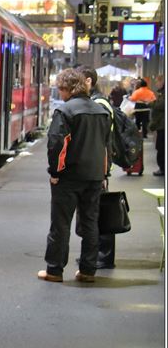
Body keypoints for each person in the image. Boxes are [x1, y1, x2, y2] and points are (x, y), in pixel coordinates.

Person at [39, 68, 111, 283]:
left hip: (69, 177)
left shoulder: (66, 111)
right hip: (95, 177)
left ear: (66, 88)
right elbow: (106, 146)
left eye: (60, 89)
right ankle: (88, 270)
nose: (60, 94)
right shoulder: (102, 111)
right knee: (90, 223)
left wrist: (55, 172)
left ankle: (54, 270)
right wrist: (104, 173)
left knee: (60, 224)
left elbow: (57, 145)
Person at [77, 66, 116, 269]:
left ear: (89, 81)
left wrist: (103, 170)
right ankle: (96, 254)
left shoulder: (99, 103)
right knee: (94, 212)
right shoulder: (97, 101)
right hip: (97, 163)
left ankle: (103, 255)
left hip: (99, 165)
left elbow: (104, 139)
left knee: (100, 212)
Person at [152, 81, 165, 177]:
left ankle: (162, 168)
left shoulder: (163, 94)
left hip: (162, 125)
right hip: (161, 125)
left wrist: (152, 103)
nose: (157, 83)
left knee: (161, 147)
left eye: (158, 82)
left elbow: (160, 106)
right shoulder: (161, 93)